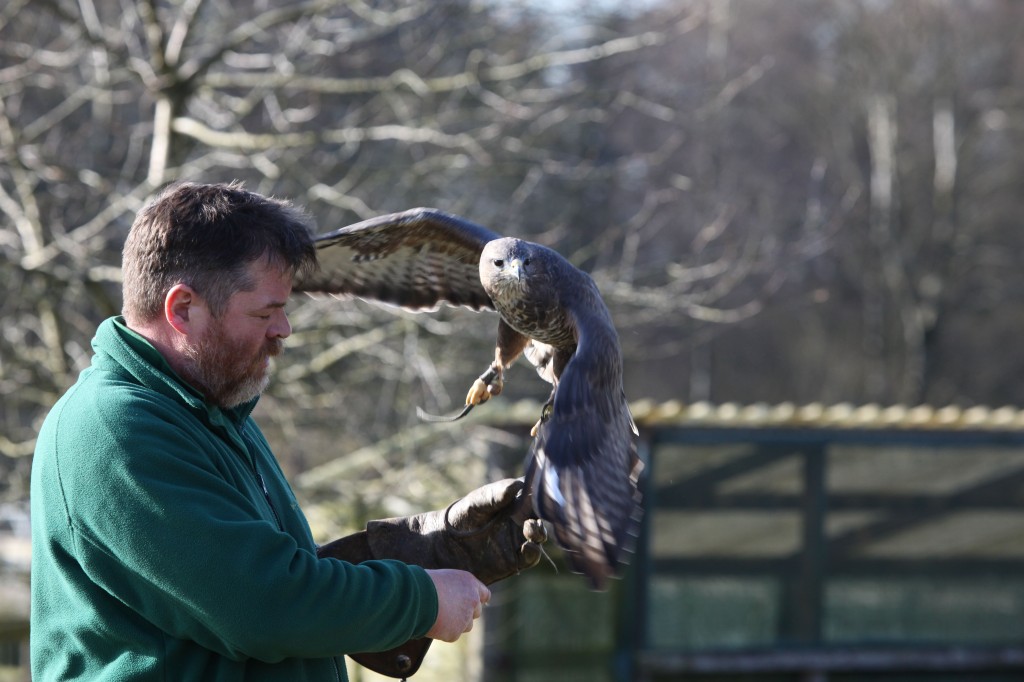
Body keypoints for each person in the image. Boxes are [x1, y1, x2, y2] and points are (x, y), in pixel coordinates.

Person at [30, 182, 542, 681]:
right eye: (266, 311)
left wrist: (428, 551)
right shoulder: (116, 430)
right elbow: (260, 605)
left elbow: (250, 579)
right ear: (183, 309)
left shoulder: (210, 414)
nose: (284, 329)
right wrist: (420, 600)